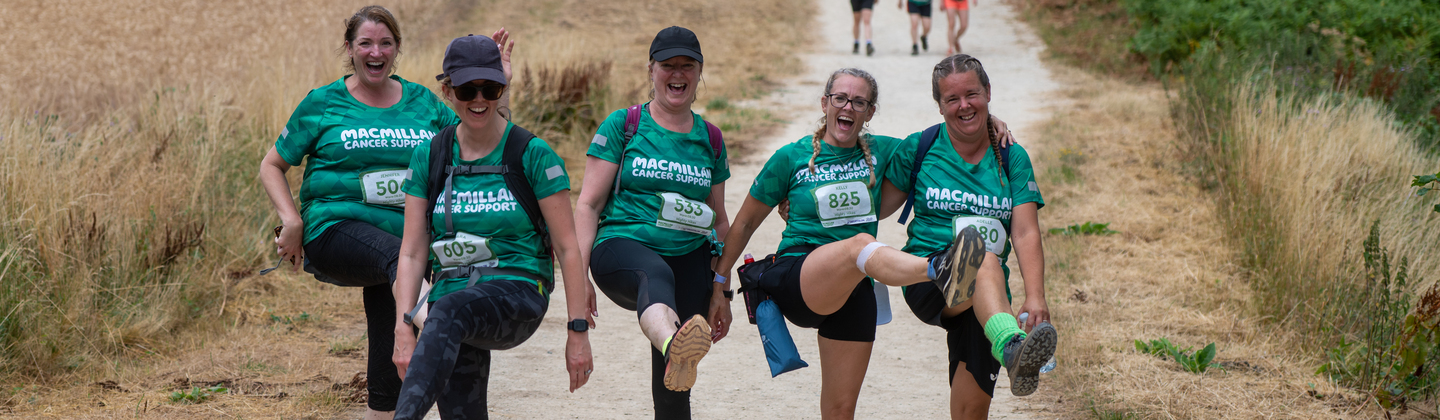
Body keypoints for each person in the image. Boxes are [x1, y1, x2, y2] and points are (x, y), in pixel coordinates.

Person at [715, 67, 976, 419]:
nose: (848, 107)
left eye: (859, 102)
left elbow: (946, 139)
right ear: (825, 104)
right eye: (840, 99)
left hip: (855, 285)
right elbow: (745, 222)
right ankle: (938, 268)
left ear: (870, 112)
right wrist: (719, 282)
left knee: (840, 410)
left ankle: (941, 268)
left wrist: (993, 125)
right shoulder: (790, 158)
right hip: (801, 271)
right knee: (859, 244)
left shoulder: (884, 152)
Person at [257, 6, 457, 419]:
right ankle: (442, 324)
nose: (375, 51)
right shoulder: (324, 103)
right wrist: (292, 221)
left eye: (385, 43)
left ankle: (383, 410)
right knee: (399, 262)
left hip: (405, 242)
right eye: (365, 43)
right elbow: (271, 164)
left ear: (397, 49)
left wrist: (499, 88)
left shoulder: (424, 104)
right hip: (334, 227)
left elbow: (480, 142)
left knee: (394, 293)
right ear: (349, 49)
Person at [389, 33, 594, 419]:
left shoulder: (533, 154)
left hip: (518, 292)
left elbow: (569, 249)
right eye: (468, 90)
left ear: (503, 88)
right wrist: (403, 329)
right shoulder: (429, 156)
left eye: (491, 88)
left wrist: (577, 330)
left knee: (446, 311)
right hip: (452, 299)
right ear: (448, 91)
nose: (480, 100)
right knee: (449, 328)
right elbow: (413, 251)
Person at [880, 54, 1057, 419]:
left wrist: (1036, 296)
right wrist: (799, 203)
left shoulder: (1011, 157)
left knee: (972, 410)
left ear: (988, 92)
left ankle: (1005, 338)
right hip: (929, 276)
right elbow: (875, 205)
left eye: (972, 94)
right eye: (952, 99)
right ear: (940, 105)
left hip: (987, 297)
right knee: (982, 255)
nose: (964, 105)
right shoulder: (921, 148)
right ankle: (1011, 346)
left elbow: (1024, 232)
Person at [574, 26, 731, 419]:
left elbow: (721, 222)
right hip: (623, 246)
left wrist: (721, 290)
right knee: (654, 273)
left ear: (699, 72)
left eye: (687, 66)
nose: (677, 75)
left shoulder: (710, 138)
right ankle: (675, 340)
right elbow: (588, 205)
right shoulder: (623, 125)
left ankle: (675, 349)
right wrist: (579, 281)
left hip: (690, 255)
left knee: (675, 390)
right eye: (668, 65)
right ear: (651, 70)